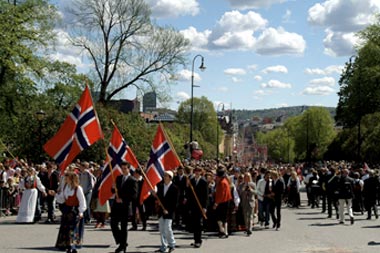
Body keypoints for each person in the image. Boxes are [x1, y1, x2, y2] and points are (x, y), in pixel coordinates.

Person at [55, 171, 87, 253]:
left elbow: (82, 201)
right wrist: (55, 195)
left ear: (71, 179)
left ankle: (72, 246)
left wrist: (81, 212)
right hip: (67, 210)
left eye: (67, 178)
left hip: (74, 211)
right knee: (65, 228)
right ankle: (66, 245)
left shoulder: (78, 188)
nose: (65, 180)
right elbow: (62, 198)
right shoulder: (65, 187)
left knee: (72, 229)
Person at [110, 162, 138, 253]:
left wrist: (123, 199)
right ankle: (121, 241)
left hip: (125, 206)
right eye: (122, 168)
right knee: (113, 223)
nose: (123, 170)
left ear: (129, 169)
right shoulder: (118, 178)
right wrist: (113, 188)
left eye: (125, 168)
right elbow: (113, 191)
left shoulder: (132, 180)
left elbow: (134, 195)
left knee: (123, 227)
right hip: (116, 206)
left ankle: (122, 245)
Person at [155, 170, 178, 253]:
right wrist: (155, 194)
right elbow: (158, 197)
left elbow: (175, 202)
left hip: (169, 212)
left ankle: (172, 244)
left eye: (166, 176)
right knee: (161, 229)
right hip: (161, 211)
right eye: (164, 175)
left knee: (167, 228)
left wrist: (168, 210)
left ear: (170, 177)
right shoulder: (160, 186)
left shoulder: (174, 188)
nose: (164, 177)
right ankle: (163, 246)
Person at [188, 166, 208, 248]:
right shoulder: (191, 181)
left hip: (200, 205)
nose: (197, 172)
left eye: (198, 171)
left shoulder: (204, 181)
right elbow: (189, 194)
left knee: (199, 224)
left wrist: (204, 207)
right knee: (194, 223)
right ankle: (195, 239)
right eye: (195, 171)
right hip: (193, 205)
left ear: (201, 172)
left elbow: (206, 196)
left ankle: (198, 240)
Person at [213, 168, 232, 238]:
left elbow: (221, 194)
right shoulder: (226, 181)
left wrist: (216, 203)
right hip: (226, 201)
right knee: (224, 218)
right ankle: (225, 231)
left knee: (219, 218)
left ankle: (222, 230)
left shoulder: (221, 183)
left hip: (222, 202)